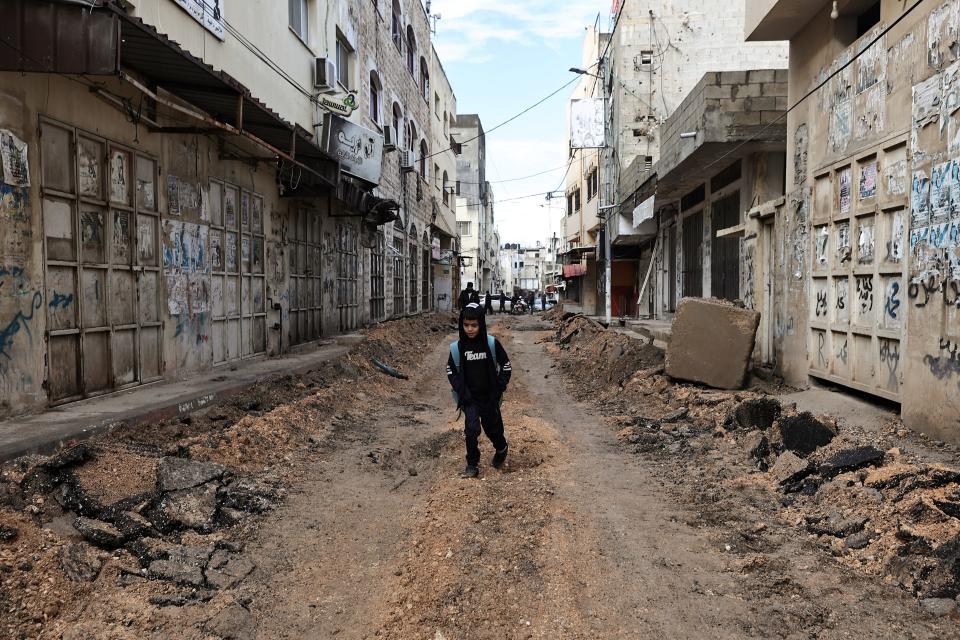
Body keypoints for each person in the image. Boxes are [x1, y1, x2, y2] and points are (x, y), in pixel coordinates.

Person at [446, 303, 512, 478]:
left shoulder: (491, 344)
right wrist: (462, 391)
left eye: (474, 325)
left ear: (481, 324)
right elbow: (451, 371)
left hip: (490, 397)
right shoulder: (457, 348)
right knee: (471, 429)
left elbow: (506, 365)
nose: (470, 329)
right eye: (466, 325)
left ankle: (501, 448)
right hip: (470, 399)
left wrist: (499, 387)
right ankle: (472, 464)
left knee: (493, 429)